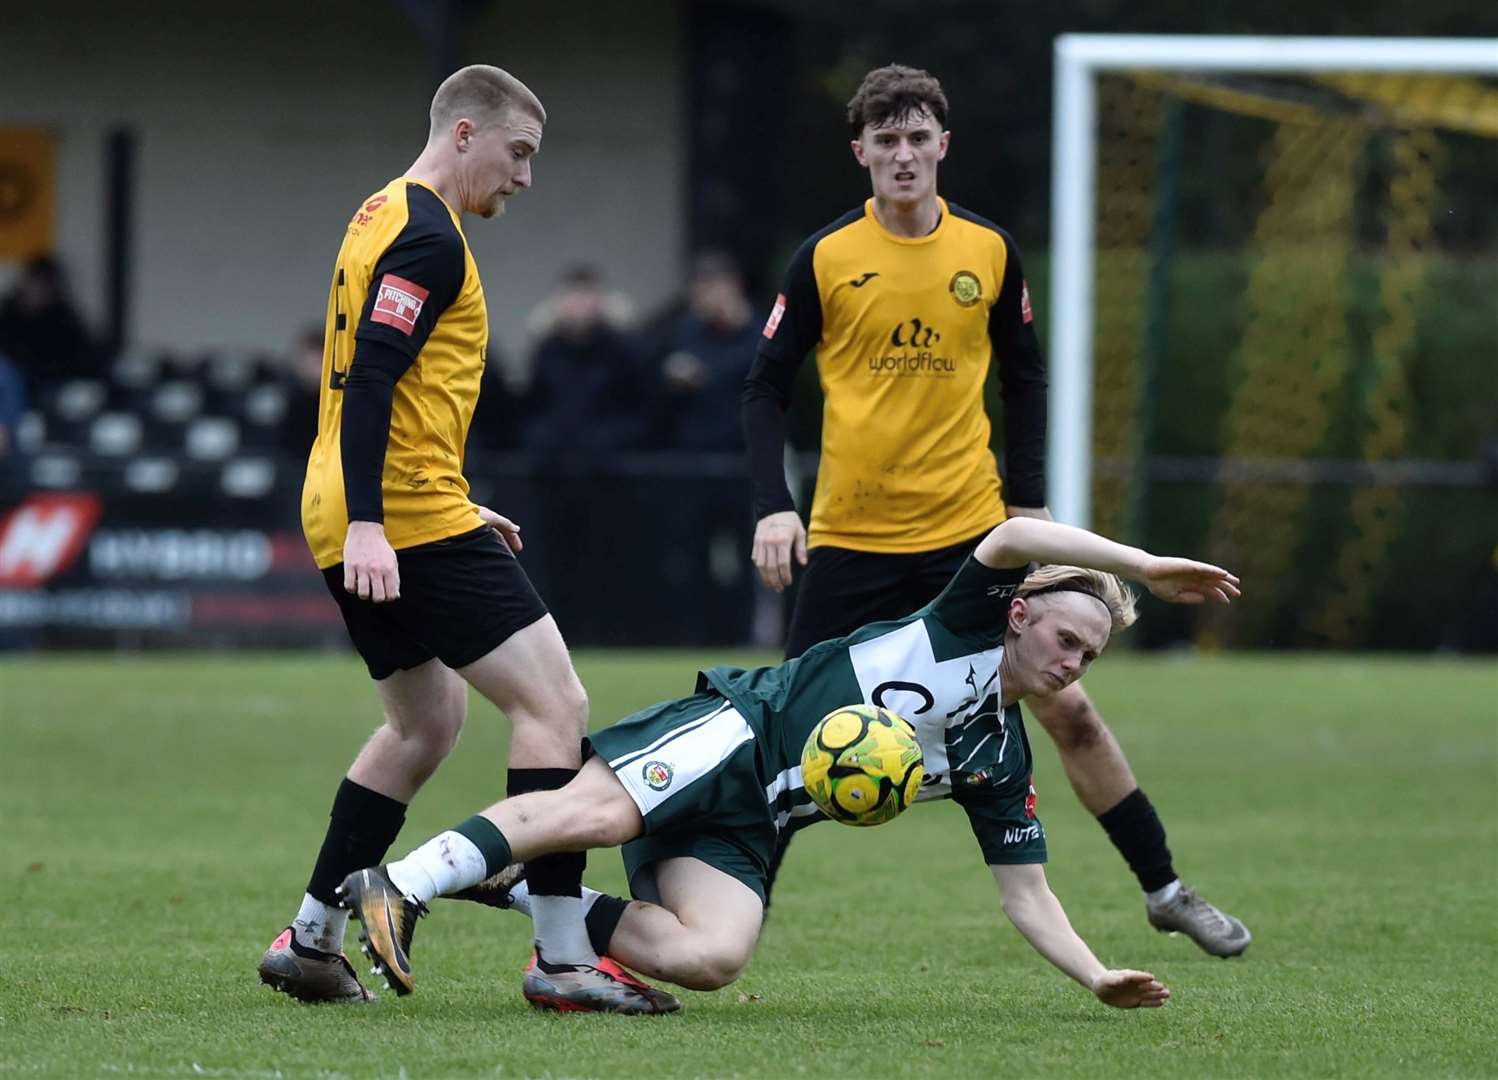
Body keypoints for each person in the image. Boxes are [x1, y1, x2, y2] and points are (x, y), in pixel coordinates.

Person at [739, 64, 1250, 956]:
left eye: (918, 138)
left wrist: (1030, 504)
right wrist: (772, 507)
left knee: (1072, 709)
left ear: (945, 145)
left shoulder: (988, 252)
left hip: (974, 538)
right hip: (853, 537)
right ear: (860, 152)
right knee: (785, 739)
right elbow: (762, 389)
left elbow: (1026, 375)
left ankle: (1165, 889)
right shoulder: (824, 257)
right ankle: (723, 923)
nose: (903, 155)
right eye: (886, 141)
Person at [337, 516, 1238, 1009]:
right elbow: (1009, 534)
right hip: (740, 729)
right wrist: (1144, 563)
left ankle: (521, 887)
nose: (1074, 662)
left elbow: (1026, 895)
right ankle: (403, 885)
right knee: (599, 814)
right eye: (1069, 637)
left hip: (755, 824)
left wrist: (1096, 977)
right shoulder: (964, 622)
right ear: (1020, 615)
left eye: (1090, 657)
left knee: (714, 956)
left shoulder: (998, 754)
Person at [256, 63, 672, 1014]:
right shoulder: (431, 239)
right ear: (465, 134)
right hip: (394, 515)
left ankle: (314, 938)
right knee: (556, 705)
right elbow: (369, 382)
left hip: (373, 503)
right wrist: (380, 519)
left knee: (425, 724)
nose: (525, 178)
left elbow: (391, 385)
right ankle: (564, 960)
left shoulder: (378, 212)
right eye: (519, 154)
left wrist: (431, 497)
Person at [521, 265, 649, 458]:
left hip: (609, 462)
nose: (580, 302)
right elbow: (533, 404)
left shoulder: (620, 348)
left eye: (587, 293)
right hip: (555, 463)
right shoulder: (547, 349)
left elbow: (638, 405)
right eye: (573, 294)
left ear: (601, 300)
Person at [650, 252, 760, 452]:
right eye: (701, 292)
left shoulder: (759, 333)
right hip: (690, 448)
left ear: (735, 287)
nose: (708, 299)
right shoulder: (682, 330)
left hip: (742, 450)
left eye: (714, 289)